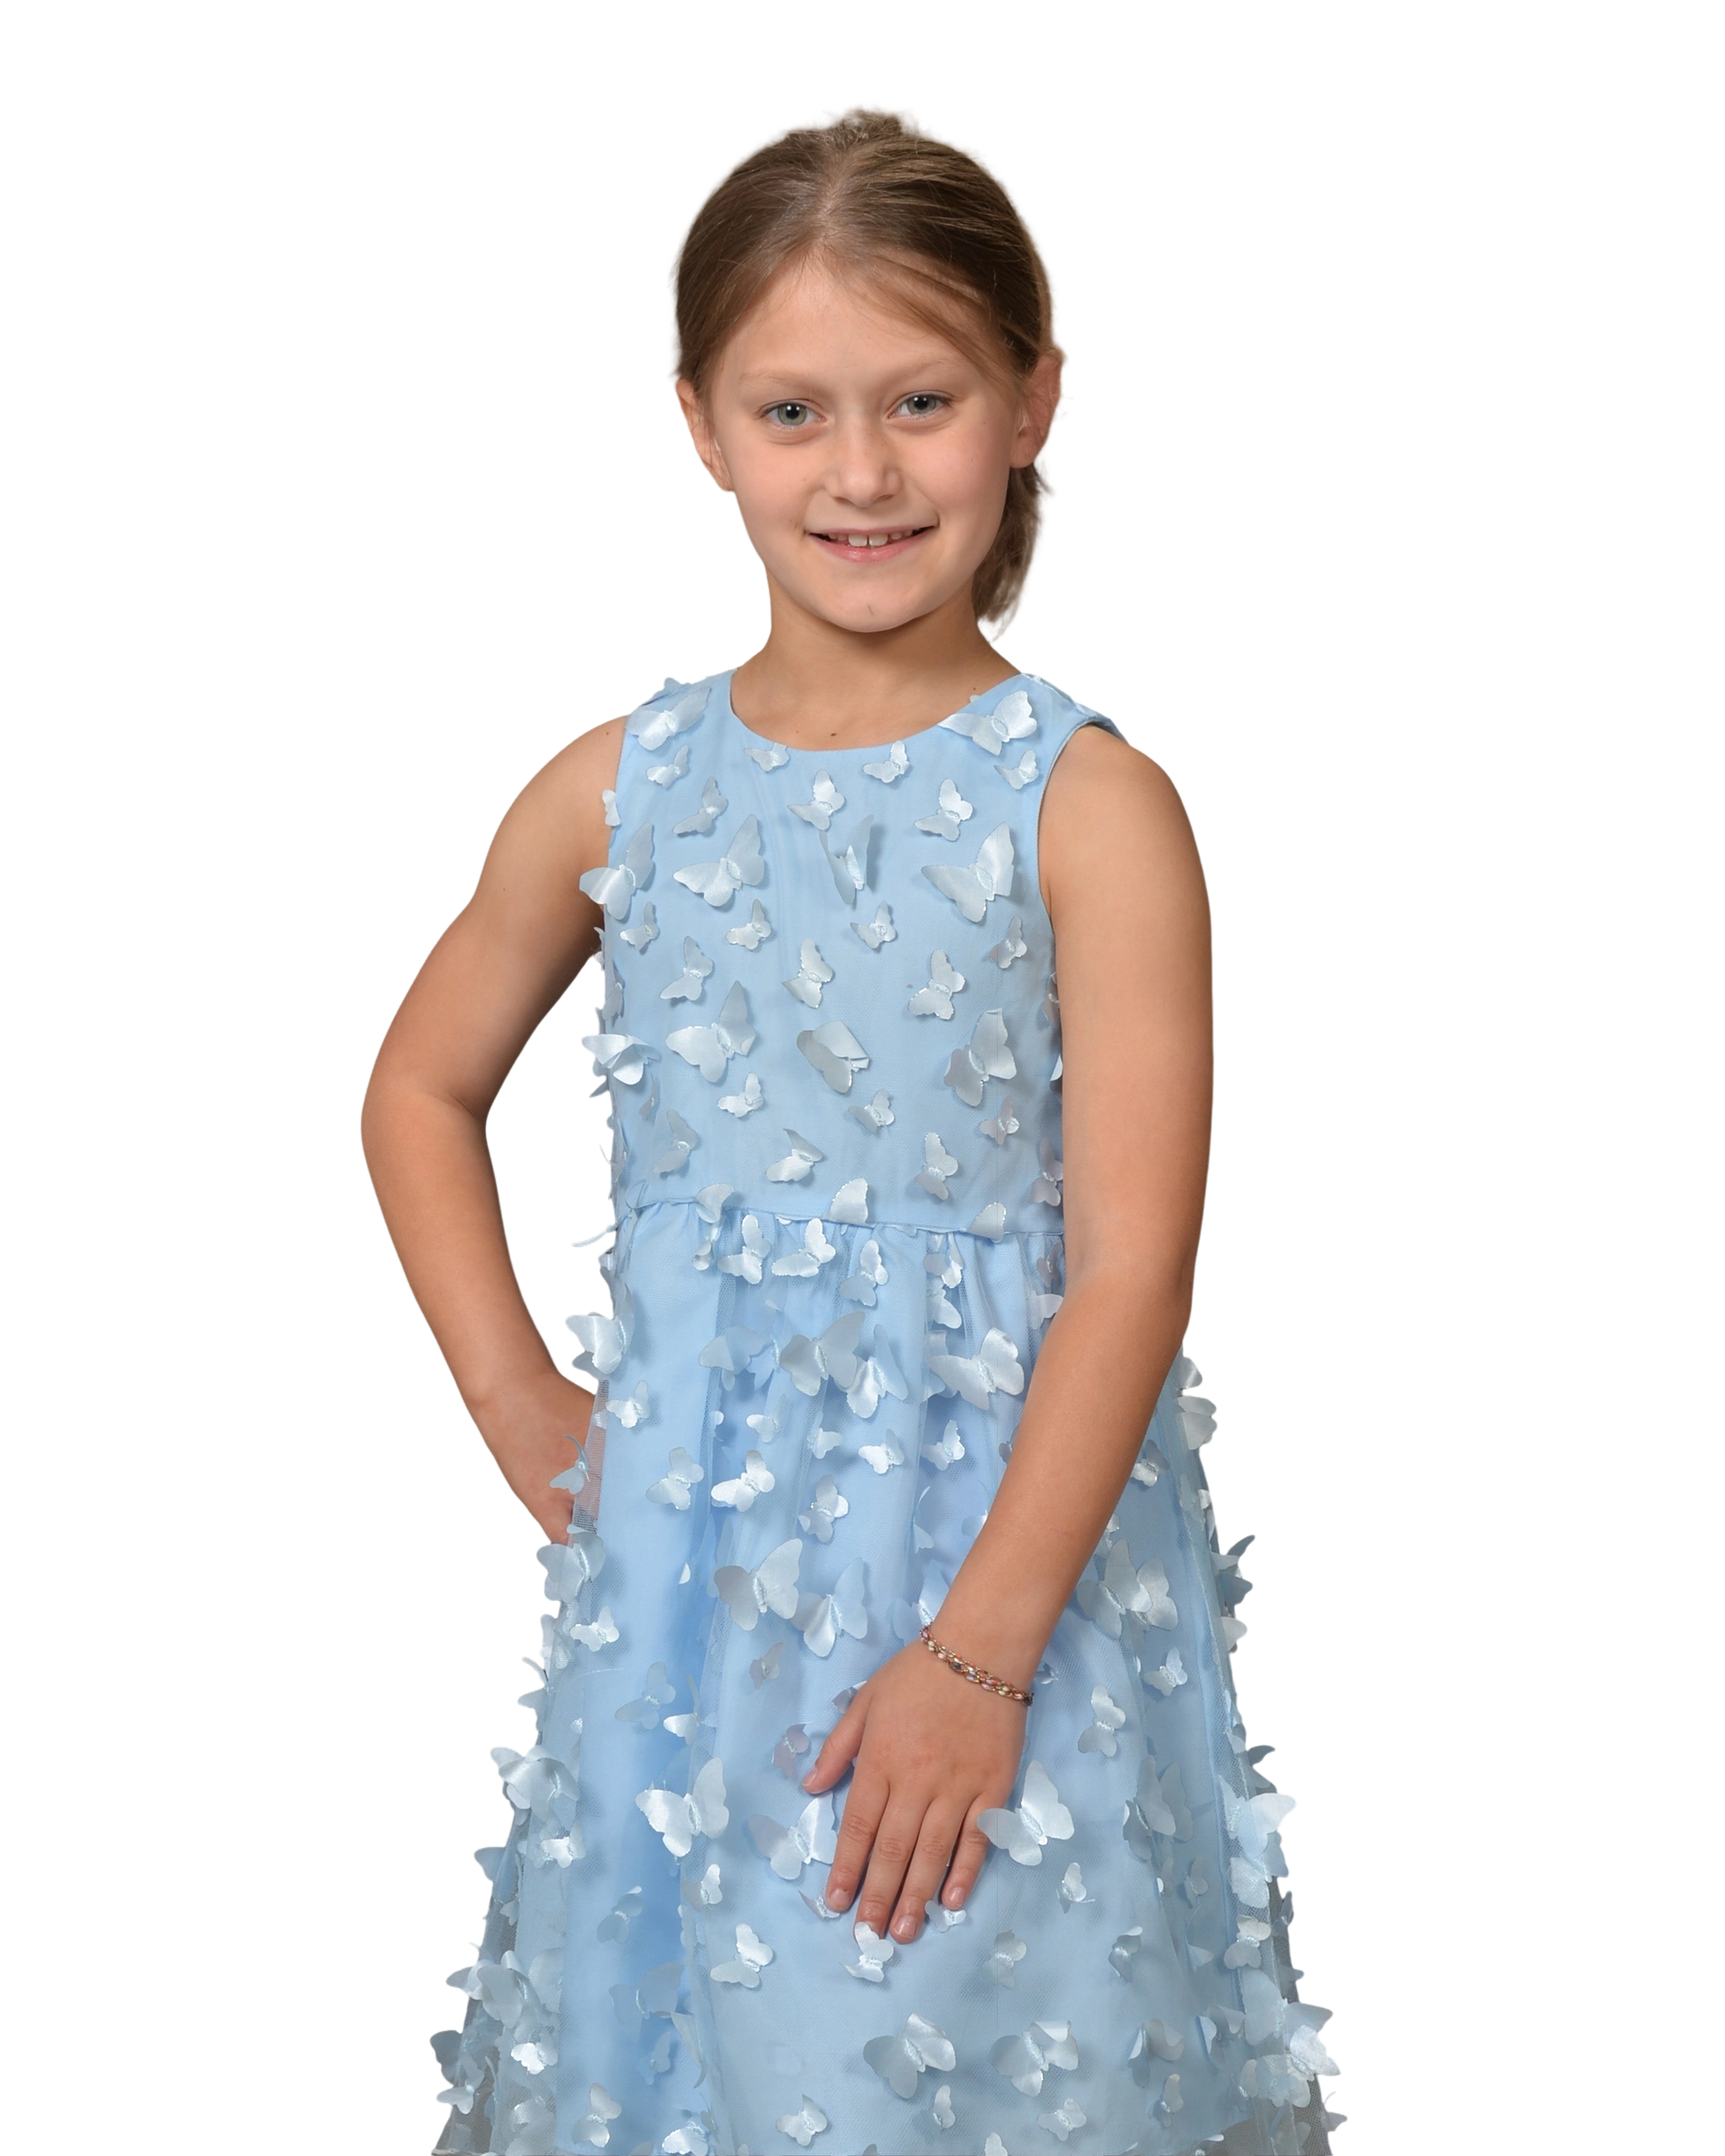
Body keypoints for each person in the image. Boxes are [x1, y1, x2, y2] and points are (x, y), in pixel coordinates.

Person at [359, 97, 1345, 2156]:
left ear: (1034, 403)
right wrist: (522, 1403)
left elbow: (1134, 1273)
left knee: (976, 2057)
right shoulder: (616, 786)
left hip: (1011, 1593)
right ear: (700, 427)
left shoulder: (1090, 809)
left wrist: (980, 1661)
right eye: (792, 411)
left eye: (922, 400)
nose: (863, 471)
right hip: (692, 1609)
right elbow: (417, 1093)